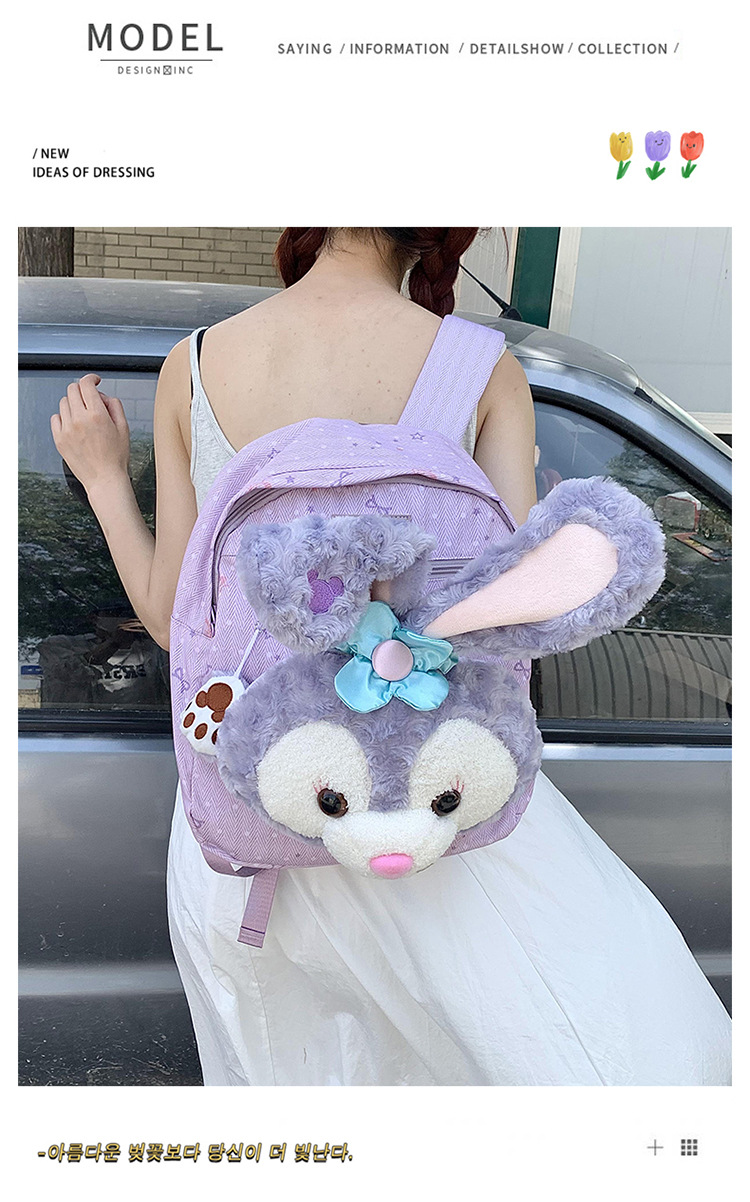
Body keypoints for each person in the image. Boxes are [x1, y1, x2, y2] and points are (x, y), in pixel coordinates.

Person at [51, 227, 731, 1086]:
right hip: (441, 828)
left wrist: (105, 477)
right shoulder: (485, 368)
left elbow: (167, 618)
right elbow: (505, 612)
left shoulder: (193, 365)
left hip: (255, 823)